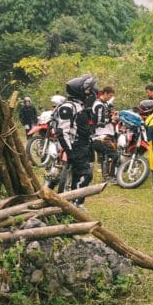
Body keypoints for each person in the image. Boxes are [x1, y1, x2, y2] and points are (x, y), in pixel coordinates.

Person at [54, 74, 98, 206]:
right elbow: (62, 131)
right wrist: (70, 152)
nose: (90, 92)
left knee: (79, 175)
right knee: (85, 175)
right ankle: (75, 205)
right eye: (87, 90)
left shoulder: (81, 106)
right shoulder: (68, 107)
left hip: (84, 146)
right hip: (75, 146)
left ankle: (72, 203)